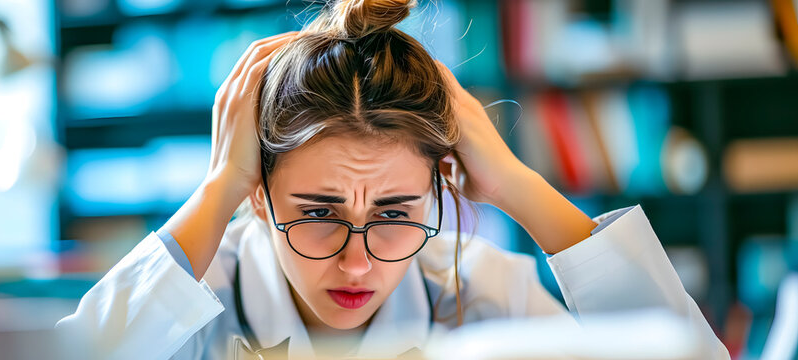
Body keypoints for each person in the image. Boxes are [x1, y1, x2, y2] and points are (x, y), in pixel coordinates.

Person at [55, 0, 730, 358]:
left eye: (394, 212)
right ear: (257, 197)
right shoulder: (192, 306)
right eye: (318, 213)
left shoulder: (479, 292)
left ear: (441, 189)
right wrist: (215, 191)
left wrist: (514, 183)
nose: (357, 262)